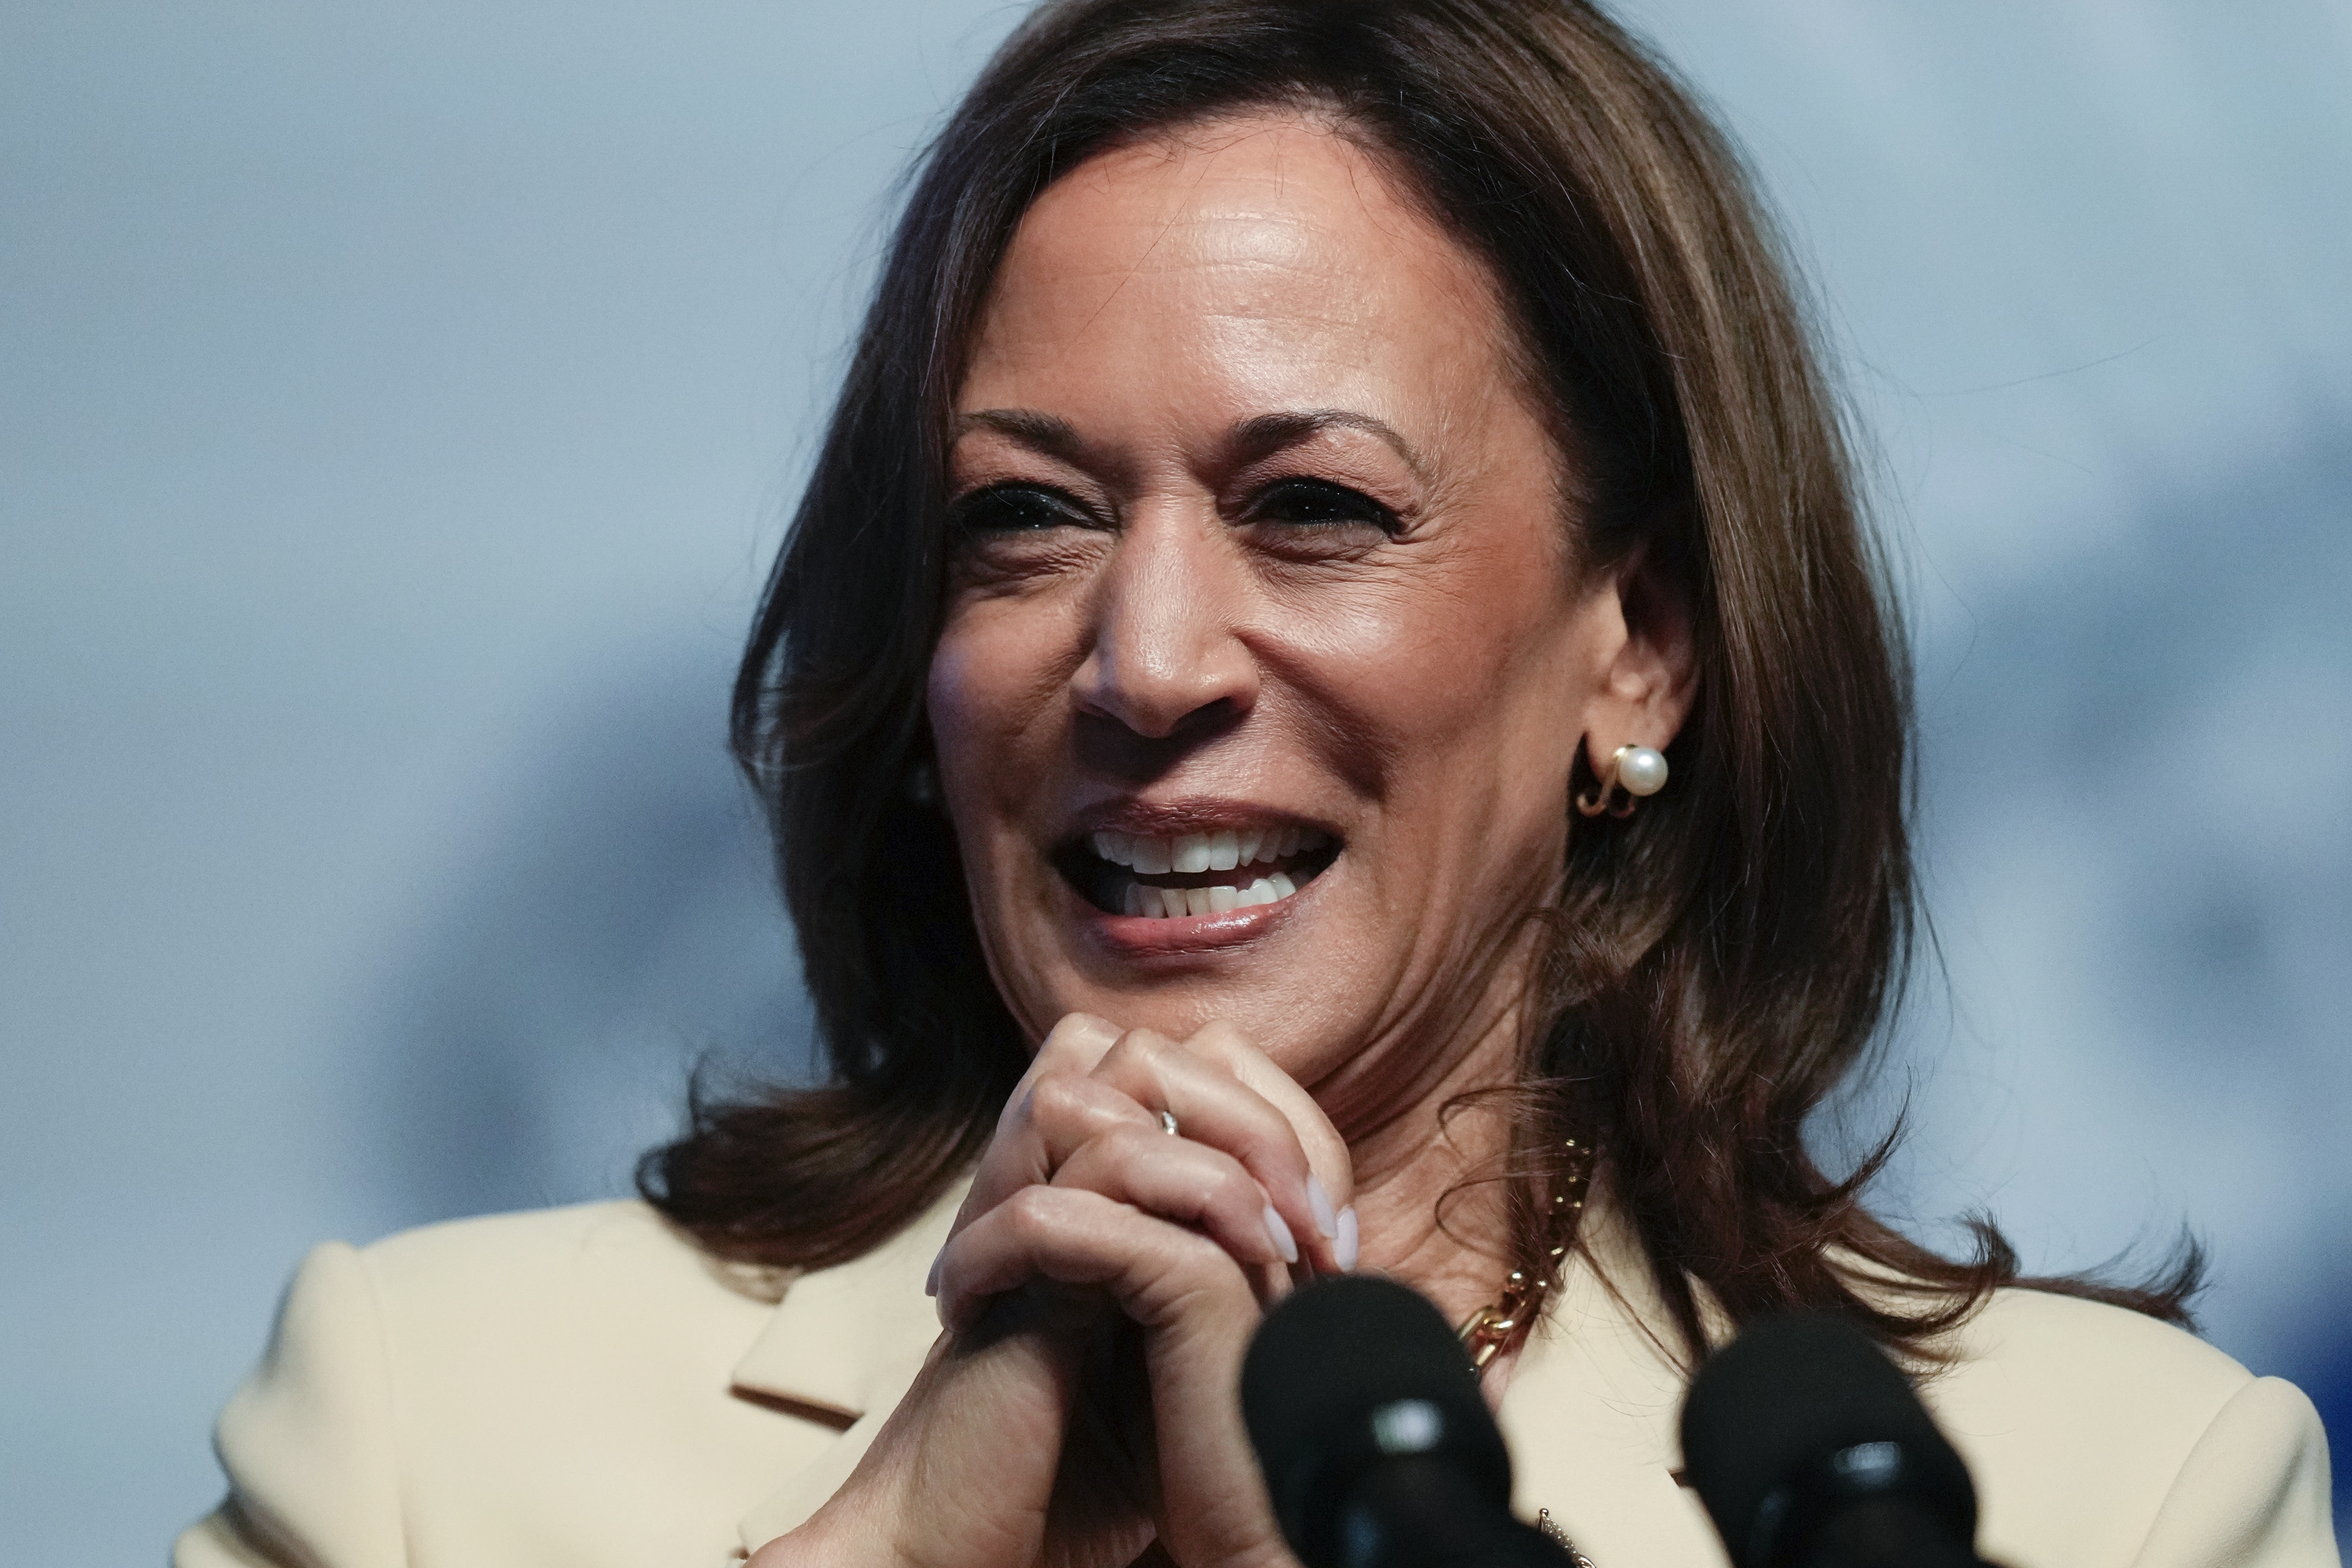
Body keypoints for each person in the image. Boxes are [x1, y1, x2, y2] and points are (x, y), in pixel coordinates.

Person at [178, 2, 2337, 1565]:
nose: (1140, 662)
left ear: (1639, 645)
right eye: (1020, 521)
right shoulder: (424, 1433)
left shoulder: (2093, 1498)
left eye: (1308, 507)